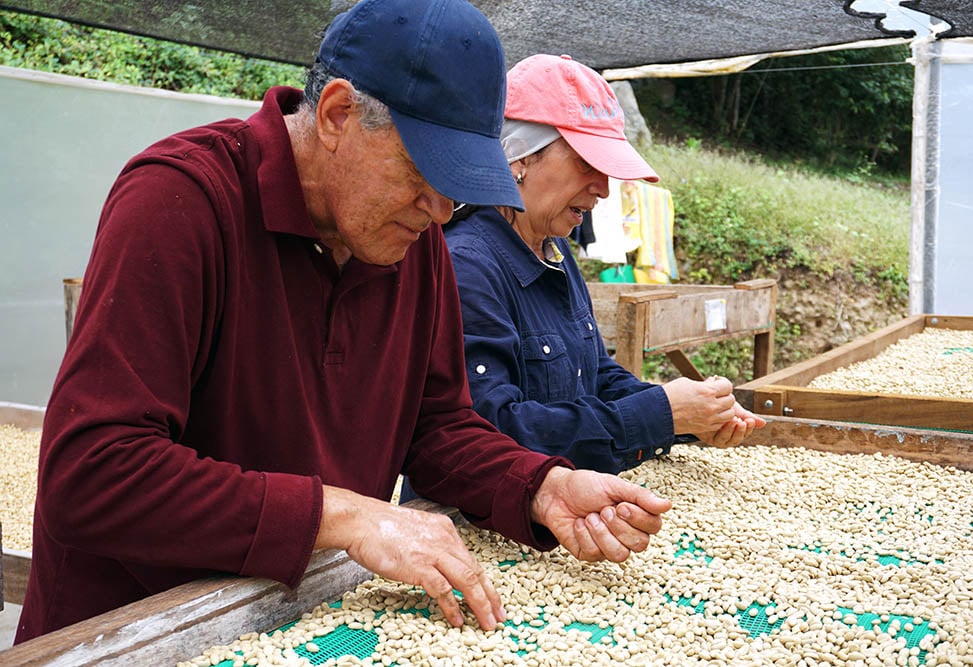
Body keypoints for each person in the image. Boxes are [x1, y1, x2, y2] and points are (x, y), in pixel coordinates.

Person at [14, 2, 674, 643]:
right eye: (424, 173)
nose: (441, 210)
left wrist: (539, 484)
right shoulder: (181, 201)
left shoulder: (413, 245)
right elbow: (94, 472)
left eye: (459, 185)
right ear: (336, 115)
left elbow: (436, 428)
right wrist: (346, 514)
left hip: (292, 620)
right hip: (128, 632)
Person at [433, 54, 767, 478]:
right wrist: (660, 414)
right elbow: (492, 431)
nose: (605, 189)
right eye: (586, 164)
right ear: (518, 158)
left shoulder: (554, 248)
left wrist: (689, 413)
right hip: (475, 520)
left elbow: (594, 375)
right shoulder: (467, 265)